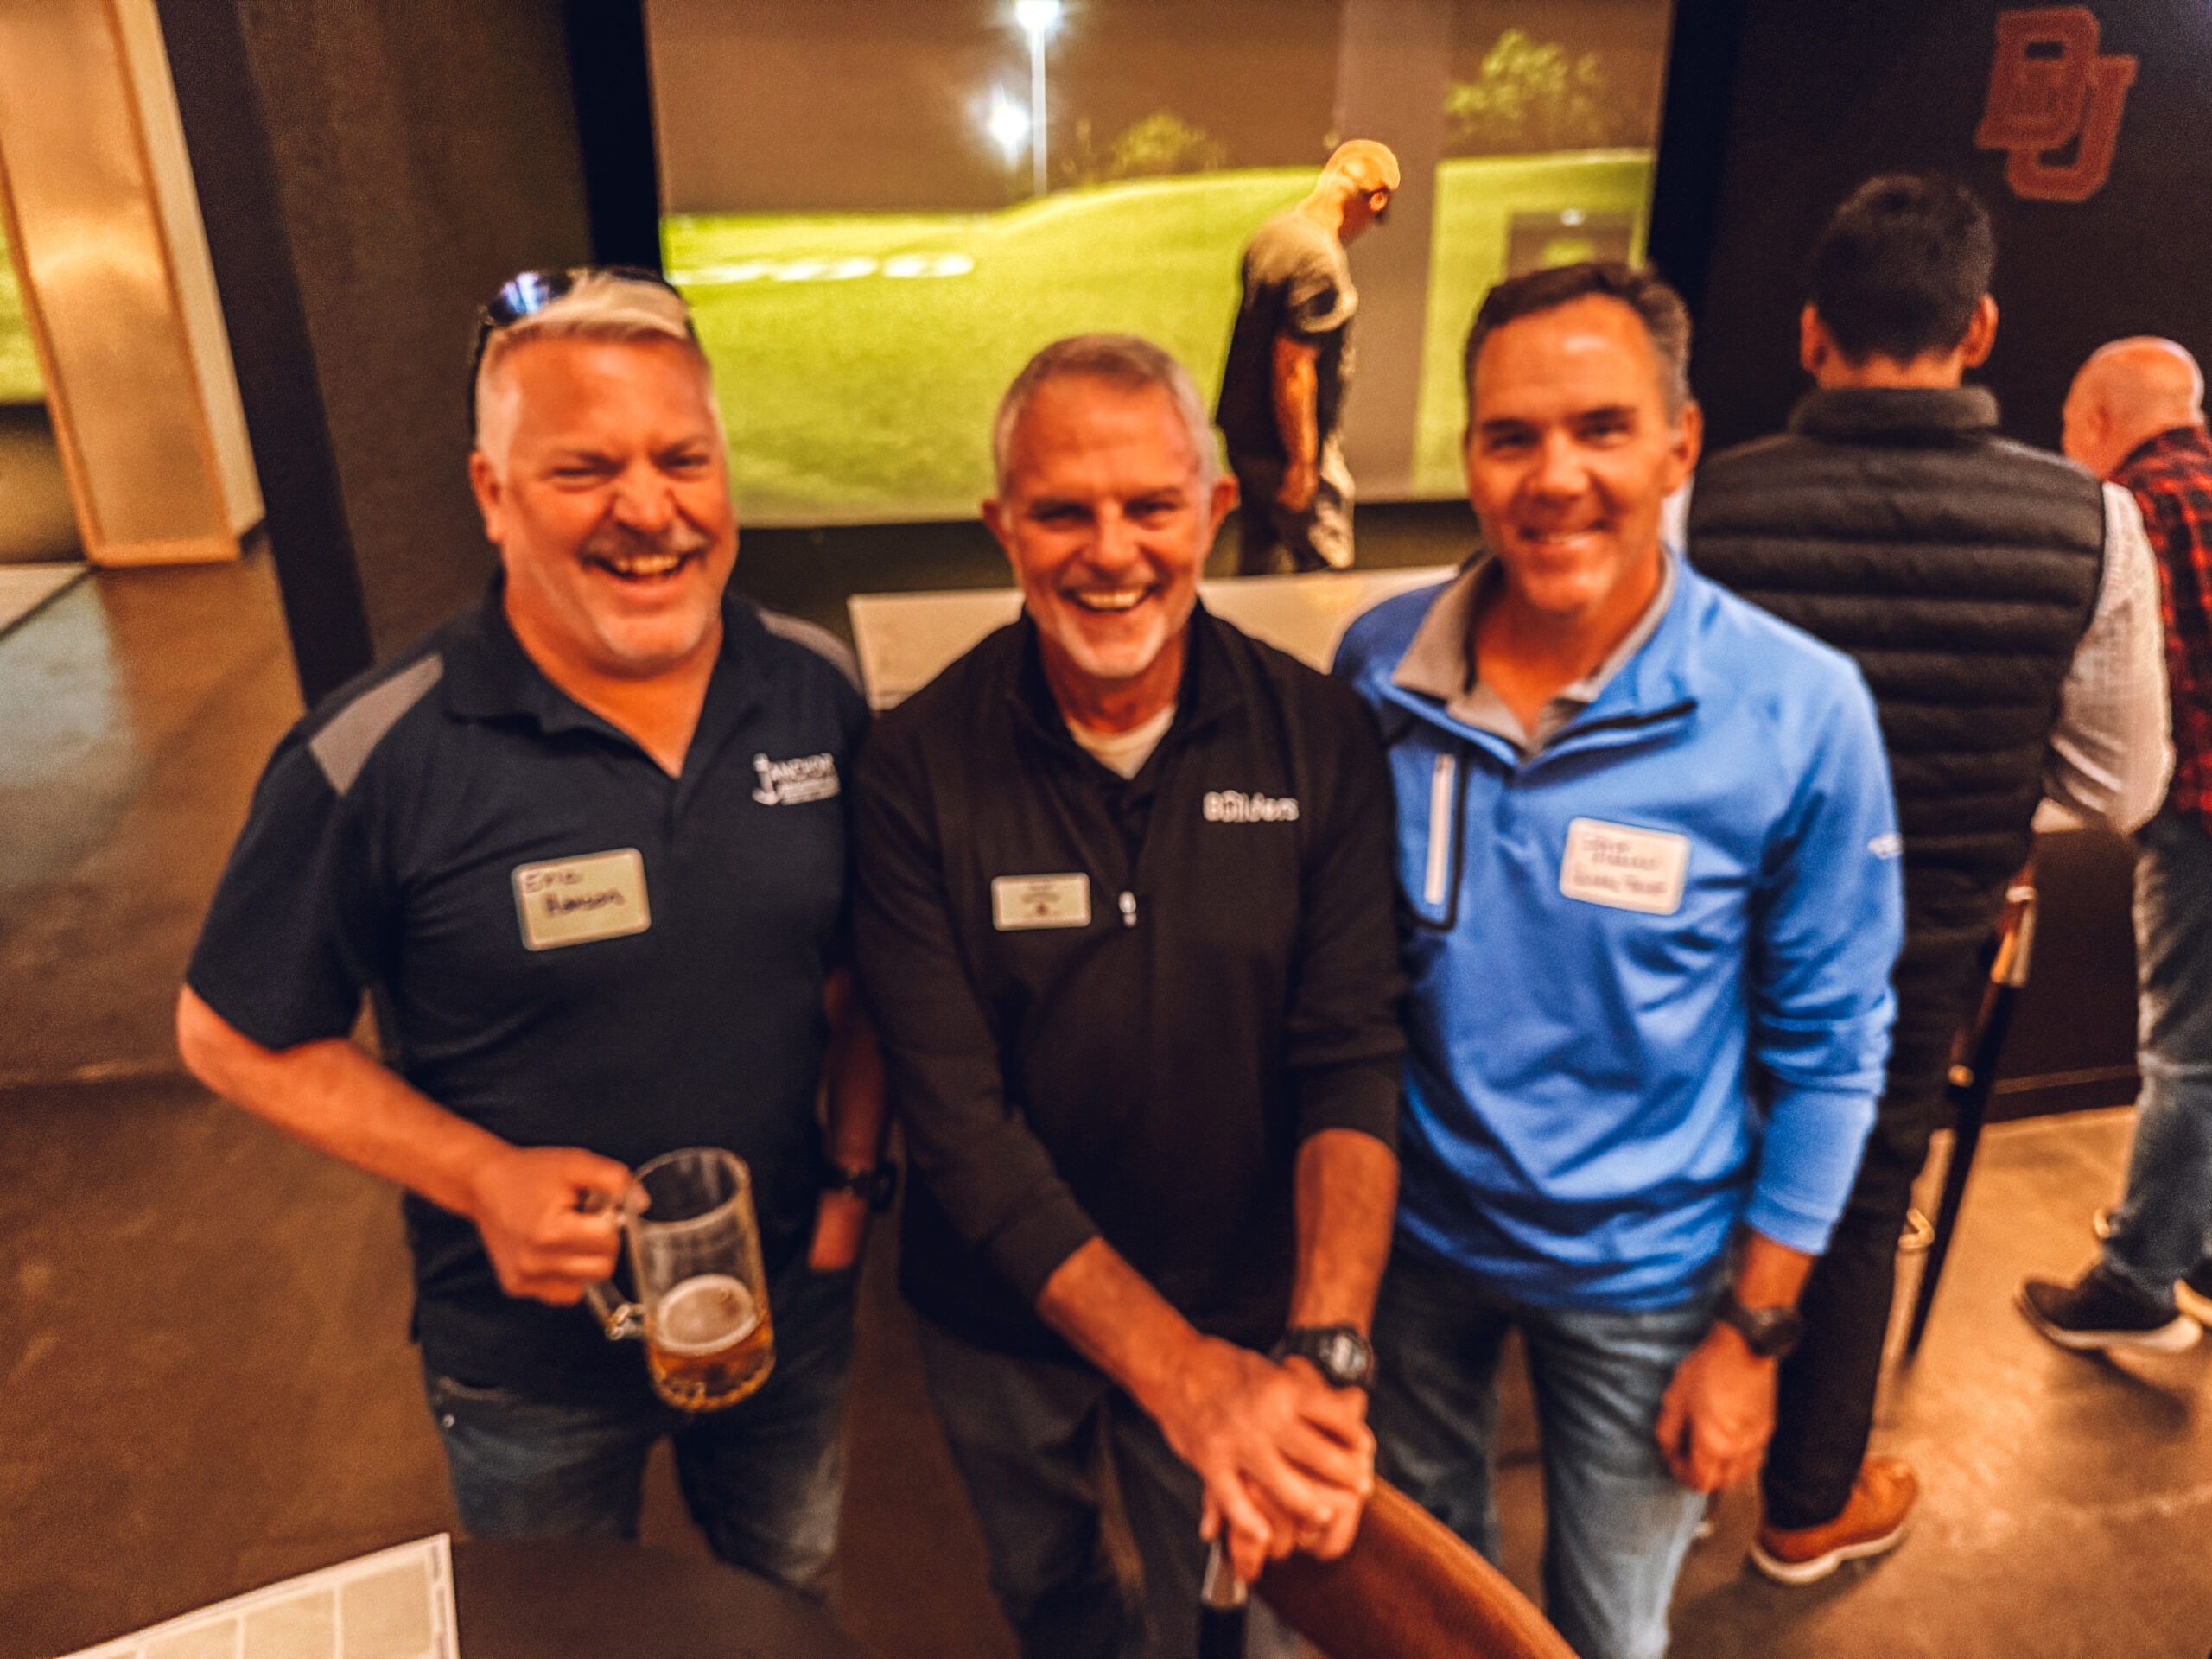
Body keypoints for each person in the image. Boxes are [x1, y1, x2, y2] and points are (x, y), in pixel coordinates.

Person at [174, 269, 886, 1595]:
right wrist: (478, 1176)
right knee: (558, 1627)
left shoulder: (816, 689)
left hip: (785, 1305)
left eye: (683, 459)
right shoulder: (378, 754)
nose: (649, 509)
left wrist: (849, 1195)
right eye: (584, 470)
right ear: (493, 494)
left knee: (789, 1596)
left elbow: (863, 978)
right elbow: (228, 1034)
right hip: (528, 1365)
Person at [1334, 262, 1904, 1659]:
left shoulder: (1797, 710)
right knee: (1431, 1608)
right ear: (1469, 457)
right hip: (1416, 1249)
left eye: (1601, 429)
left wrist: (1755, 1335)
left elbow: (1836, 1055)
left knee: (1609, 1627)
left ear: (1679, 444)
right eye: (1511, 437)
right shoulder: (1378, 668)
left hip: (1650, 1278)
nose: (1555, 478)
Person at [854, 334, 1405, 1659]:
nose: (1111, 553)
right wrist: (1179, 1376)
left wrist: (1323, 1352)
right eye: (1063, 512)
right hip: (999, 1316)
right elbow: (960, 1129)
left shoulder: (1319, 738)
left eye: (1151, 506)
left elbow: (1350, 1057)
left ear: (1213, 510)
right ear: (1002, 527)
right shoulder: (911, 768)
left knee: (1236, 1625)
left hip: (1246, 1307)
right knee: (1044, 1586)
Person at [1690, 175, 2171, 1582]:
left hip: (1717, 928)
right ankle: (1804, 1506)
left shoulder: (1704, 504)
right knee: (1857, 1191)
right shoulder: (2094, 527)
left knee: (1696, 1165)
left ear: (1810, 331)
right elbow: (2122, 785)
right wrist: (1989, 802)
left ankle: (1663, 1469)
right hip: (1924, 935)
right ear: (1981, 329)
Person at [2019, 337, 2212, 1351]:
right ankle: (2196, 1243)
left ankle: (2138, 1281)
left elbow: (2127, 701)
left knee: (2185, 1055)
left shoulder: (2129, 510)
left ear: (2096, 417)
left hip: (2200, 818)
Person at [1216, 139, 1399, 575]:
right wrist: (1302, 463)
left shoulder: (1273, 233)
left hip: (1245, 435)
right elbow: (1293, 367)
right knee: (1327, 565)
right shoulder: (1320, 262)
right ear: (1375, 199)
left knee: (1260, 565)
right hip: (1282, 447)